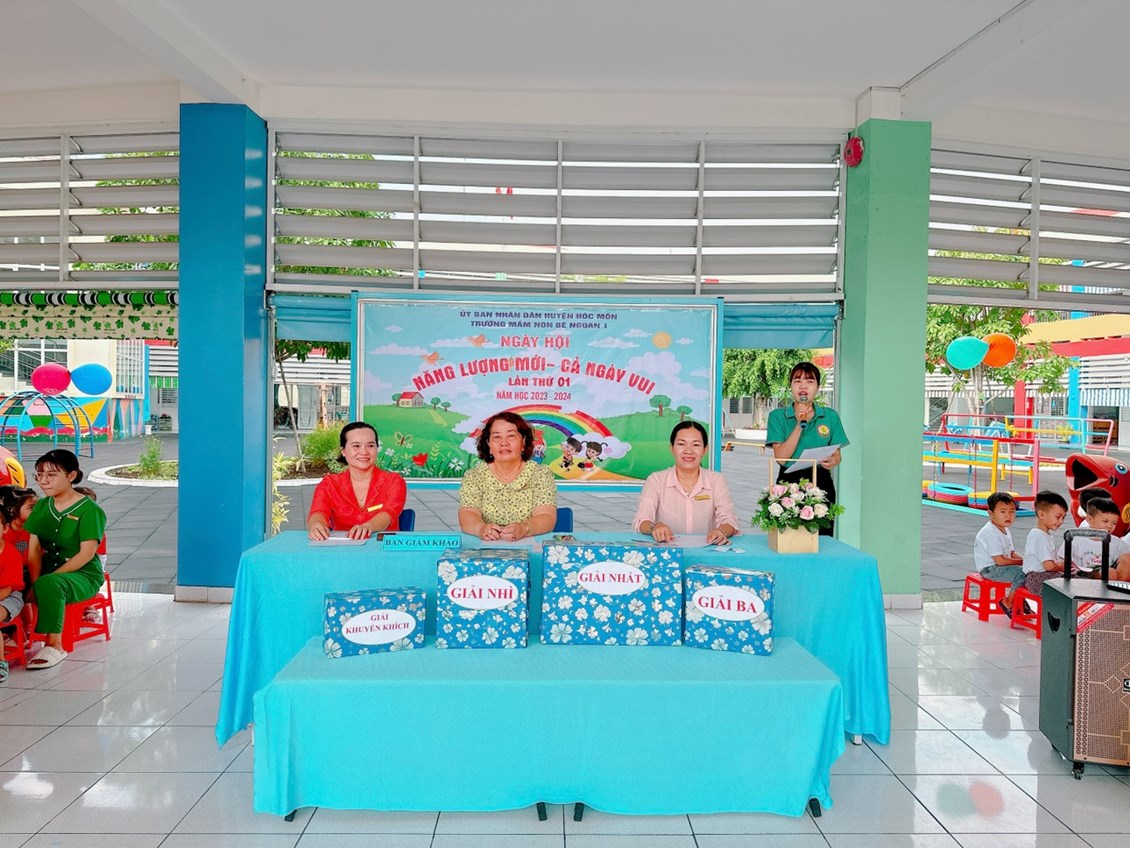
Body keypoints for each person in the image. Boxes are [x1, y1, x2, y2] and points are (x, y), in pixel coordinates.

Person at [25, 449, 107, 670]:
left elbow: (86, 554)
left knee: (50, 583)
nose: (43, 480)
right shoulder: (42, 507)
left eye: (51, 474)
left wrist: (44, 582)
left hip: (83, 575)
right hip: (47, 572)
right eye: (39, 474)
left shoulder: (90, 511)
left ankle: (54, 645)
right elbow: (34, 550)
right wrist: (35, 582)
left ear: (71, 475)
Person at [765, 362, 849, 536]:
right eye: (798, 381)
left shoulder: (830, 416)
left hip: (821, 480)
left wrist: (832, 460)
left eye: (810, 381)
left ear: (818, 387)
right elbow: (781, 458)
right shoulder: (777, 416)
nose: (803, 386)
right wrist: (798, 425)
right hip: (789, 482)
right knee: (790, 535)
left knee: (822, 536)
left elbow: (837, 454)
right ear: (790, 386)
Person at [632, 421, 739, 546]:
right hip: (668, 550)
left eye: (696, 445)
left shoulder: (716, 480)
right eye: (681, 444)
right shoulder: (656, 480)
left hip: (707, 550)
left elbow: (729, 520)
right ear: (672, 448)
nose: (688, 451)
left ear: (705, 449)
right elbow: (641, 521)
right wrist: (655, 526)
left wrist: (721, 532)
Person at [458, 411, 557, 541]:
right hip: (487, 545)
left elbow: (546, 516)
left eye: (511, 436)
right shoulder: (474, 476)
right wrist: (480, 529)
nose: (503, 443)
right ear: (488, 444)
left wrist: (524, 528)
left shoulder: (540, 474)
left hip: (529, 543)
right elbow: (468, 513)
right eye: (496, 437)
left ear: (523, 442)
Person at [307, 422, 407, 541]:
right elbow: (318, 511)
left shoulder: (394, 481)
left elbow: (389, 513)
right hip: (343, 547)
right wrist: (316, 525)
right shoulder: (330, 483)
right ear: (343, 451)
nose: (364, 452)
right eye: (356, 446)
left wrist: (367, 527)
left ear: (376, 449)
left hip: (382, 545)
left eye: (370, 445)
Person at [973, 492, 1024, 616]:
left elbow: (1011, 553)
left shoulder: (1005, 529)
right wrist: (1022, 562)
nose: (1008, 515)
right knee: (1022, 573)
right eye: (1003, 512)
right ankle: (1009, 601)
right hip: (990, 569)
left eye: (1012, 512)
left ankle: (1020, 601)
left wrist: (1025, 560)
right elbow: (1000, 561)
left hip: (1000, 566)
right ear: (991, 513)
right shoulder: (991, 533)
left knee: (1030, 570)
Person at [1059, 496, 1130, 582]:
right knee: (1110, 573)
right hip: (1080, 576)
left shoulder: (1117, 543)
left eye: (1114, 523)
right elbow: (1062, 560)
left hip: (1107, 577)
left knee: (1125, 560)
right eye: (1105, 521)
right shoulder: (1076, 537)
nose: (1110, 526)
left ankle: (1120, 588)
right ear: (1089, 519)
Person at [1021, 490, 1068, 598]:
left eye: (1063, 518)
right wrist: (1062, 566)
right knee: (1073, 585)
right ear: (1042, 514)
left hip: (1043, 576)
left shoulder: (1045, 535)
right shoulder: (1039, 535)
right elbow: (1049, 566)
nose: (1061, 521)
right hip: (1038, 578)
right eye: (1058, 517)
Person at [0, 501, 25, 683]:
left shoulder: (10, 553)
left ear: (5, 528)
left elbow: (7, 588)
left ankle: (1, 661)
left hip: (9, 596)